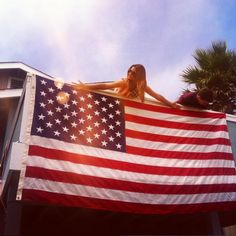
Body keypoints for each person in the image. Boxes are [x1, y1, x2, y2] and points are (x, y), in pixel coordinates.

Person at [73, 64, 178, 108]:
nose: (129, 74)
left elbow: (157, 96)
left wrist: (170, 104)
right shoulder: (124, 82)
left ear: (139, 76)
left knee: (143, 99)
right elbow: (105, 85)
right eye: (130, 71)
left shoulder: (142, 85)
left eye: (133, 73)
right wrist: (86, 87)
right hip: (116, 99)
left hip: (130, 103)